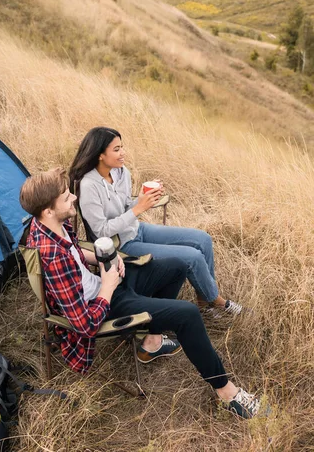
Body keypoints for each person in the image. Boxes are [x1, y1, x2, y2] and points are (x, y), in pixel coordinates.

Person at [19, 168, 265, 419]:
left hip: (104, 284)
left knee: (177, 266)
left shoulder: (51, 226)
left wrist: (111, 259)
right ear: (48, 210)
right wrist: (108, 284)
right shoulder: (51, 254)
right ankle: (226, 393)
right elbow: (85, 325)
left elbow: (77, 253)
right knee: (188, 314)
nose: (73, 197)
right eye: (65, 195)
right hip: (102, 305)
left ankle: (152, 342)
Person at [69, 127, 241, 316]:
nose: (123, 153)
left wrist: (143, 198)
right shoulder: (88, 186)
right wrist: (138, 208)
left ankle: (203, 301)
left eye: (122, 147)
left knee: (203, 239)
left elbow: (126, 205)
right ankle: (216, 300)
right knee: (193, 257)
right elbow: (101, 231)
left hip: (136, 230)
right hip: (121, 245)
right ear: (100, 154)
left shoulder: (121, 172)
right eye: (116, 149)